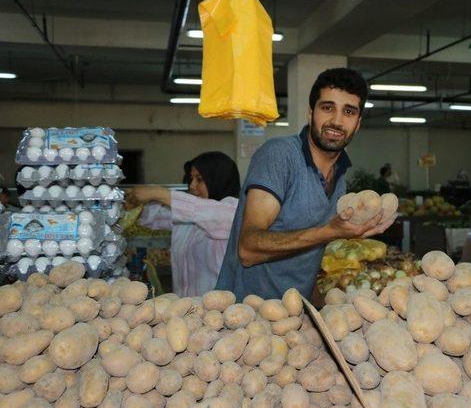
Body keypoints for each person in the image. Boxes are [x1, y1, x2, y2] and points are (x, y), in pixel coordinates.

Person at [216, 68, 396, 300]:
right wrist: (330, 231)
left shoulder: (340, 174)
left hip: (294, 314)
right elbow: (248, 249)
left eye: (349, 112)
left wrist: (318, 308)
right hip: (246, 315)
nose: (337, 121)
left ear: (358, 123)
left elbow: (309, 255)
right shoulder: (280, 156)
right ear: (311, 113)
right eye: (327, 107)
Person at [125, 152, 240, 296]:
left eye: (200, 179)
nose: (192, 185)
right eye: (191, 179)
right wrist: (133, 207)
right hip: (185, 307)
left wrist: (157, 192)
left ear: (218, 179)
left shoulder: (232, 210)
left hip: (219, 310)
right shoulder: (186, 214)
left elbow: (206, 213)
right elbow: (155, 216)